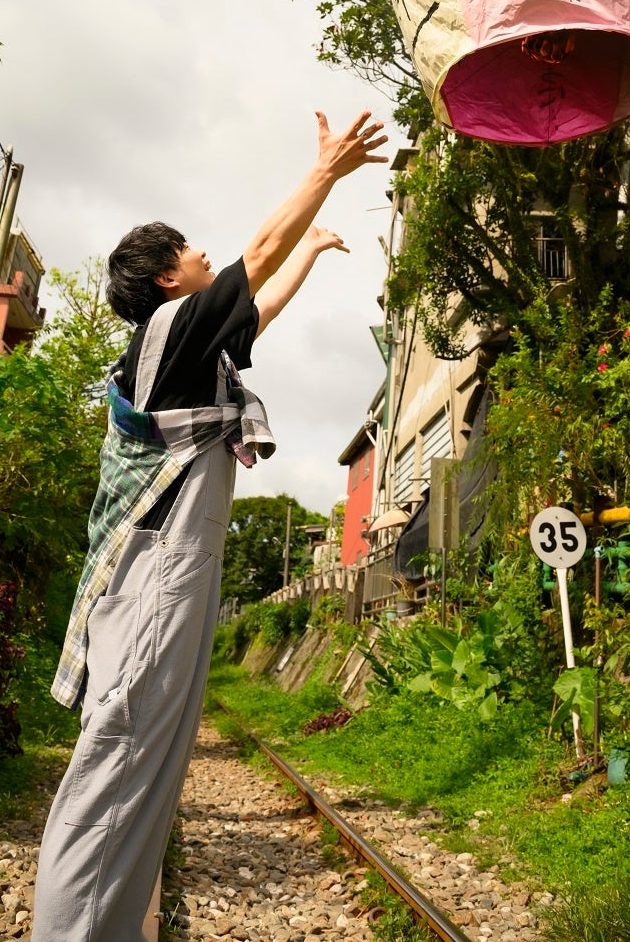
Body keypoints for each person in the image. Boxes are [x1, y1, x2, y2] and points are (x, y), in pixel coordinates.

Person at [31, 109, 387, 942]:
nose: (203, 255)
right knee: (116, 770)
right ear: (164, 279)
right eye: (190, 249)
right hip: (156, 583)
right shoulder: (166, 332)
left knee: (147, 775)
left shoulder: (196, 354)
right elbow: (253, 260)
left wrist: (312, 250)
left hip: (172, 585)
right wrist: (326, 169)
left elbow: (261, 301)